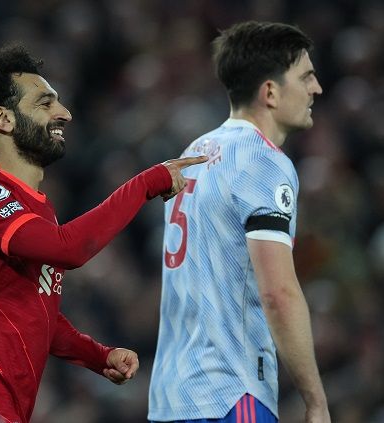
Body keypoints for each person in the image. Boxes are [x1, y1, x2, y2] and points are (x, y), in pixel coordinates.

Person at [0, 45, 206, 423]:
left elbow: (38, 316)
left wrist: (97, 356)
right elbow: (70, 249)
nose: (64, 113)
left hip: (1, 408)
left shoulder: (35, 209)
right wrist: (145, 184)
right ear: (3, 118)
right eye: (44, 103)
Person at [149, 22, 331, 423]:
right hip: (230, 393)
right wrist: (316, 401)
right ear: (270, 92)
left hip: (170, 397)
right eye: (306, 77)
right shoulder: (264, 163)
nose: (316, 88)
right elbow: (278, 294)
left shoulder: (193, 154)